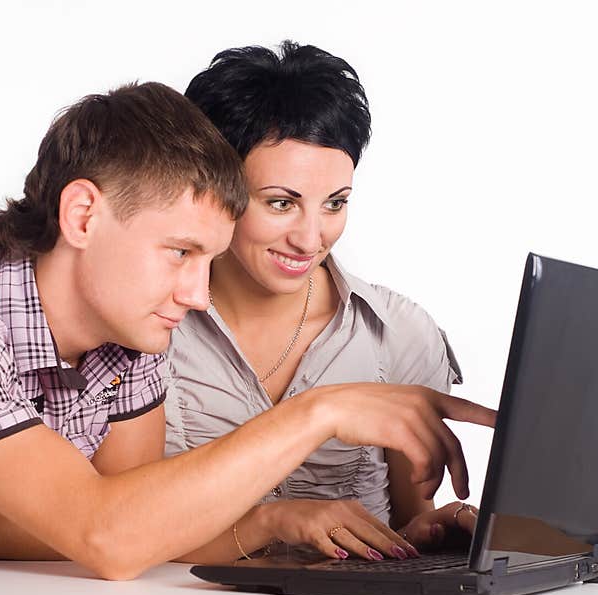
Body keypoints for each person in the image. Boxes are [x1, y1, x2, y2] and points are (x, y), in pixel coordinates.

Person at [0, 81, 495, 580]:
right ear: (81, 216)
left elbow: (136, 518)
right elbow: (110, 536)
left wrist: (270, 523)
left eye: (209, 260)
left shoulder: (132, 321)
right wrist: (321, 411)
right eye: (181, 253)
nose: (197, 296)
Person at [163, 41, 479, 560]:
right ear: (212, 188)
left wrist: (431, 532)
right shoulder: (151, 325)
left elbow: (409, 517)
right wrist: (270, 523)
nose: (311, 239)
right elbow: (112, 523)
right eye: (281, 203)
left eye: (335, 204)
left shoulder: (399, 333)